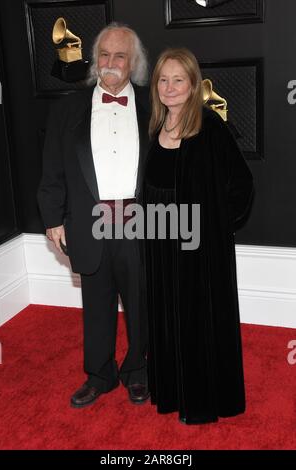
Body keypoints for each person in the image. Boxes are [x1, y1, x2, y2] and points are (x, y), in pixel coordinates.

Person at [37, 23, 150, 408]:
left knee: (141, 304)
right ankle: (100, 375)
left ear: (133, 62)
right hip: (89, 222)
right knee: (96, 305)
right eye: (104, 54)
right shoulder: (69, 108)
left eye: (120, 55)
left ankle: (138, 371)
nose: (111, 62)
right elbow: (51, 167)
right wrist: (52, 219)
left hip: (141, 223)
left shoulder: (155, 105)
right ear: (94, 60)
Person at [142, 48, 254, 424]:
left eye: (178, 80)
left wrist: (215, 232)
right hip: (160, 247)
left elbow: (241, 187)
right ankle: (171, 389)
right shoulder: (156, 128)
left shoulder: (211, 129)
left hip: (198, 251)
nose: (169, 88)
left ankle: (205, 397)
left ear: (192, 86)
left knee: (197, 320)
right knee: (168, 317)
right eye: (163, 79)